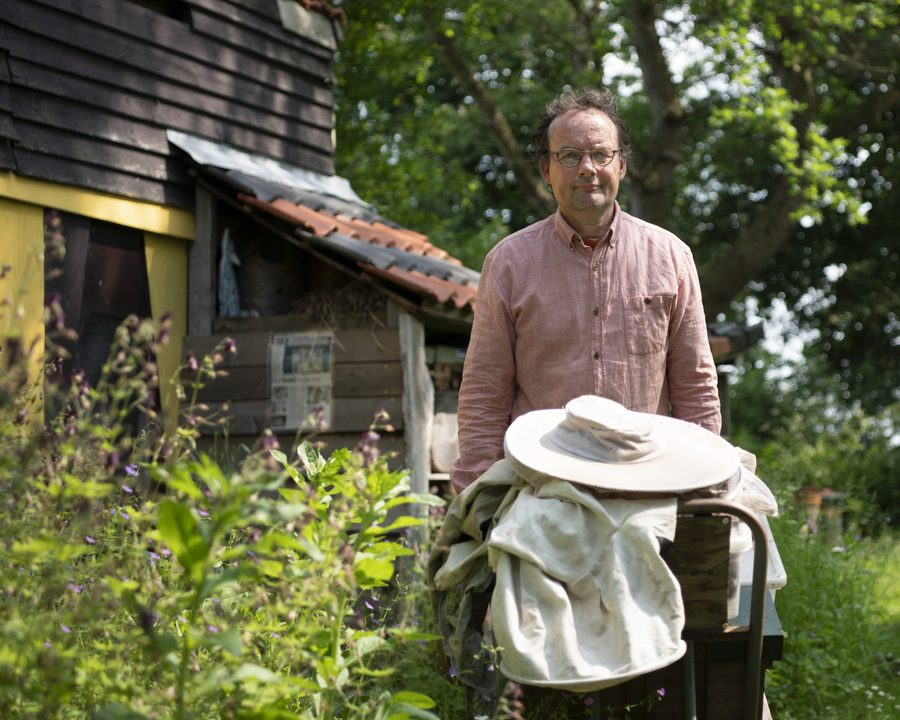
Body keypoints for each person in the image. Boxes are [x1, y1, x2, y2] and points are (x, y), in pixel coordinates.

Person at [450, 86, 722, 494]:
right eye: (570, 156)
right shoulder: (508, 263)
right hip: (540, 487)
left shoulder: (671, 257)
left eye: (600, 154)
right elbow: (485, 393)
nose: (587, 168)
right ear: (546, 170)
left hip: (648, 484)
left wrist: (703, 484)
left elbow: (695, 385)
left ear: (622, 165)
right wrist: (479, 494)